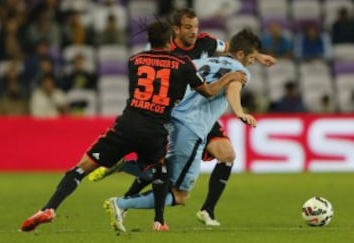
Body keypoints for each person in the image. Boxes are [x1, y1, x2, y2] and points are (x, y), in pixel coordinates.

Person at [20, 20, 245, 232]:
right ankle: (159, 221)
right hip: (156, 129)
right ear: (170, 41)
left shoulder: (134, 60)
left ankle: (49, 208)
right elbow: (207, 91)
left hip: (127, 124)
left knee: (80, 169)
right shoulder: (182, 64)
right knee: (161, 173)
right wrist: (229, 77)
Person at [88, 8, 275, 226]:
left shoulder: (201, 57)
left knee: (222, 155)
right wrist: (240, 111)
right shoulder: (165, 53)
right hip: (191, 123)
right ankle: (123, 197)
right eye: (188, 27)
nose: (194, 31)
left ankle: (206, 209)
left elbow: (234, 49)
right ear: (175, 30)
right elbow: (234, 86)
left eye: (196, 27)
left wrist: (256, 55)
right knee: (179, 193)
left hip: (177, 114)